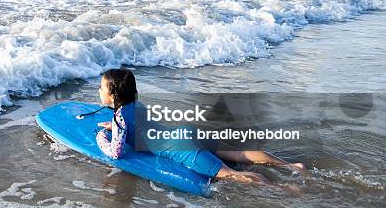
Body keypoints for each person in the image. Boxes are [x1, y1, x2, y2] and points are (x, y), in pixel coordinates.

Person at [95, 68, 305, 184]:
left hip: (182, 149)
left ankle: (285, 189)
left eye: (101, 88)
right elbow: (139, 127)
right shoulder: (136, 105)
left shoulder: (119, 118)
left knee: (232, 174)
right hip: (185, 132)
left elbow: (116, 153)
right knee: (239, 154)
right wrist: (116, 127)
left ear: (113, 94)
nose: (98, 90)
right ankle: (292, 166)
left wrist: (102, 139)